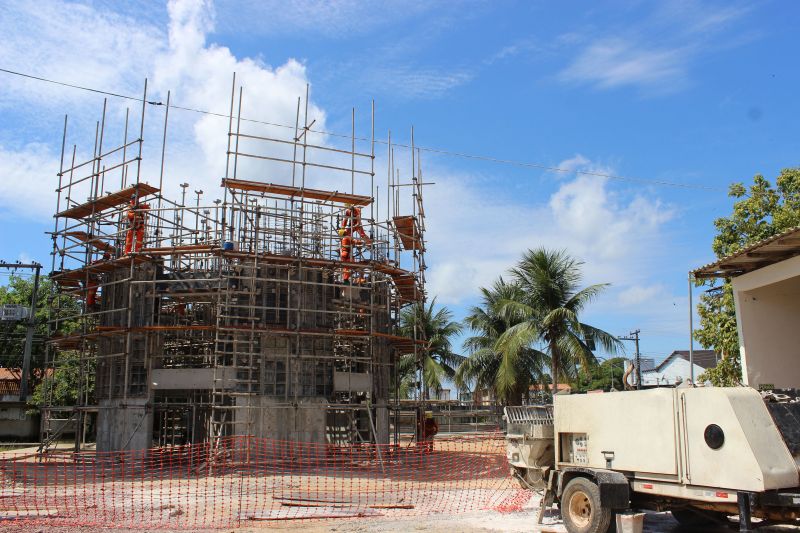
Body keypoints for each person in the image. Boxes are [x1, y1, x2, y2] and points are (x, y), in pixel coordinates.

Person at [337, 205, 370, 283]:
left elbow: (358, 221)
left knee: (362, 234)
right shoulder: (347, 237)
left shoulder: (356, 210)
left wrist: (356, 225)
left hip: (355, 224)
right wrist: (360, 242)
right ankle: (346, 279)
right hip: (347, 255)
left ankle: (346, 279)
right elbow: (345, 220)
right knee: (349, 266)